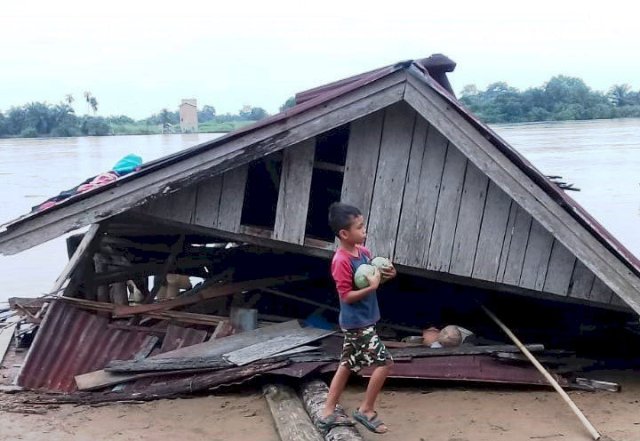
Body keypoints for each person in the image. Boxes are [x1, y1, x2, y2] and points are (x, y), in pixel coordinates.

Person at [319, 202, 396, 434]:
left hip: (366, 319)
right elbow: (347, 296)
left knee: (346, 365)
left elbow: (373, 277)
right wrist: (372, 288)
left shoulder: (363, 253)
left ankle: (327, 412)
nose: (365, 231)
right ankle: (366, 410)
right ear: (344, 233)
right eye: (360, 228)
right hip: (357, 323)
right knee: (385, 363)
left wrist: (388, 275)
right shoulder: (341, 261)